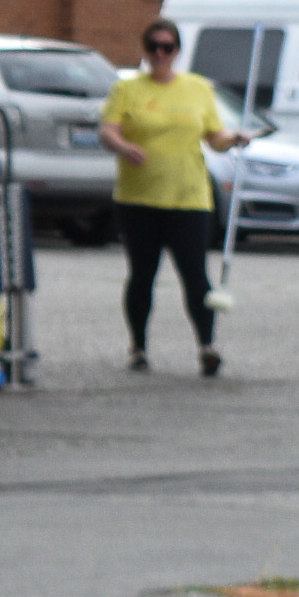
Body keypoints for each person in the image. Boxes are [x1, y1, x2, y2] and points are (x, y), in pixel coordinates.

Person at [99, 22, 242, 376]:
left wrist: (234, 137)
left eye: (167, 47)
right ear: (145, 50)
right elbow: (108, 129)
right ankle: (138, 347)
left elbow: (214, 137)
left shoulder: (197, 88)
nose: (160, 54)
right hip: (138, 198)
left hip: (189, 197)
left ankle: (207, 346)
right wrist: (123, 146)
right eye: (153, 47)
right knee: (142, 274)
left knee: (195, 274)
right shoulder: (127, 89)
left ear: (177, 50)